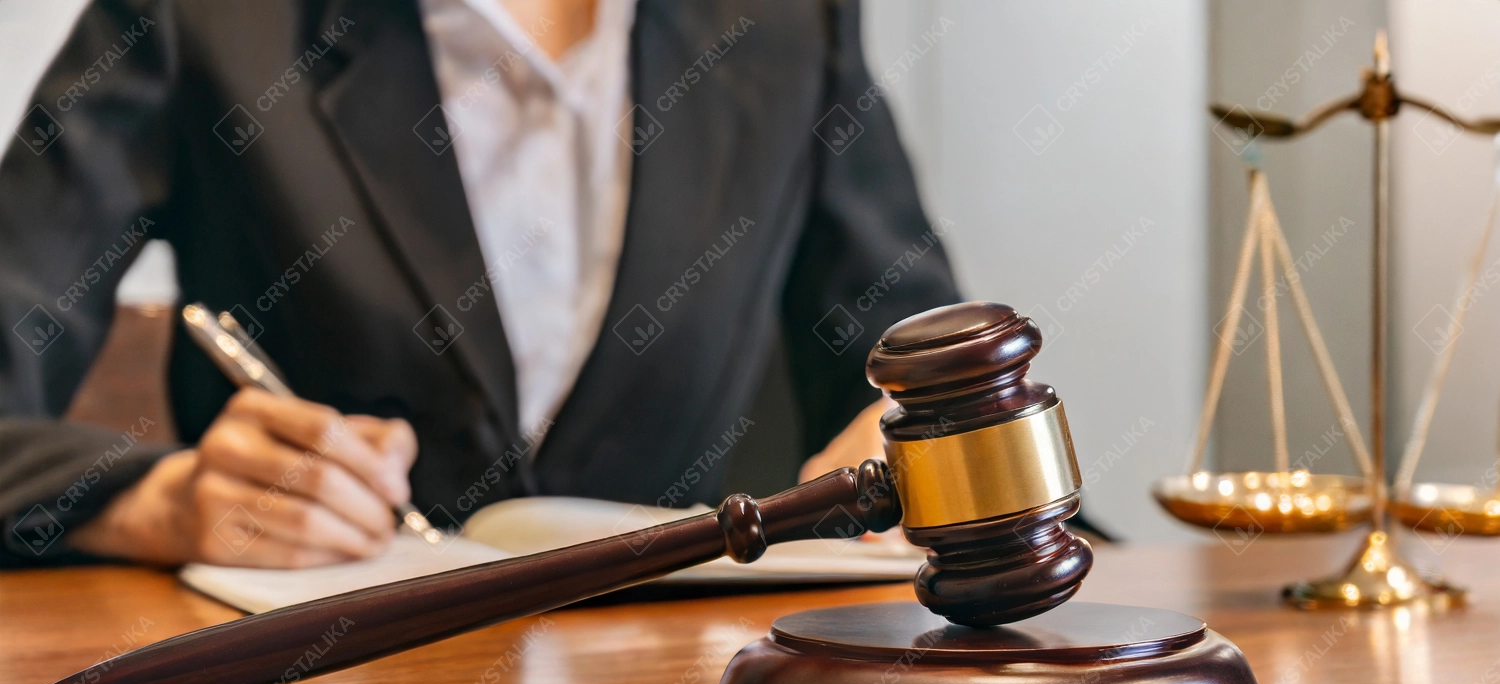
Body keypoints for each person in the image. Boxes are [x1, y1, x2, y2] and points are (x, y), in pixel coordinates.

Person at [0, 0, 960, 568]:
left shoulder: (787, 24)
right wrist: (163, 501)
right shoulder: (198, 17)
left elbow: (923, 367)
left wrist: (918, 438)